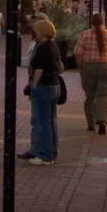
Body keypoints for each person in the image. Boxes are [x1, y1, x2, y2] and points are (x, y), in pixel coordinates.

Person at [20, 18, 61, 164]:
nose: (34, 33)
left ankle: (45, 155)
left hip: (44, 86)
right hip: (54, 85)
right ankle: (52, 152)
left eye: (36, 30)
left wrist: (34, 86)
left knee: (43, 122)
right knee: (50, 121)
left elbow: (39, 69)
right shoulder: (53, 45)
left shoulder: (43, 47)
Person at [76, 13, 107, 135]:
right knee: (103, 95)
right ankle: (102, 120)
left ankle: (90, 123)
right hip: (105, 67)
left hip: (89, 67)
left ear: (92, 23)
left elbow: (78, 52)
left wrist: (80, 66)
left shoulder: (85, 34)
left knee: (90, 95)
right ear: (103, 22)